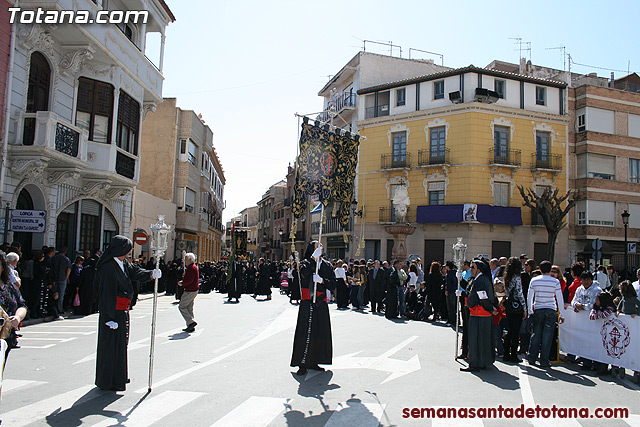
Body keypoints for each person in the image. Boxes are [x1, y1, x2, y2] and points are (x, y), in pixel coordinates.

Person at [95, 236, 161, 391]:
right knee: (110, 348)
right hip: (112, 313)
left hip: (123, 311)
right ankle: (107, 381)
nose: (130, 252)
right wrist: (108, 318)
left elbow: (136, 273)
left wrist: (151, 274)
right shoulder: (107, 267)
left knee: (121, 346)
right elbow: (106, 294)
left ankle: (119, 377)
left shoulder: (123, 263)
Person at [290, 241, 336, 375]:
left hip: (321, 302)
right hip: (307, 301)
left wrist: (322, 281)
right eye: (316, 247)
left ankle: (316, 360)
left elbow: (333, 284)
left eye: (320, 246)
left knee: (319, 332)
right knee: (306, 332)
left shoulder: (327, 266)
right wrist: (312, 259)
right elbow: (300, 273)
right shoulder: (305, 263)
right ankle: (302, 363)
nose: (319, 248)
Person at [526, 261, 565, 368]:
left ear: (540, 270)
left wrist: (530, 310)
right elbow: (560, 298)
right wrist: (562, 314)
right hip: (551, 309)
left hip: (538, 308)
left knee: (536, 334)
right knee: (547, 336)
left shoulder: (534, 280)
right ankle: (544, 360)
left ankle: (532, 357)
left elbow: (530, 296)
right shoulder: (555, 282)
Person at [461, 259, 495, 372]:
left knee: (475, 340)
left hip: (478, 313)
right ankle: (482, 362)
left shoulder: (480, 280)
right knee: (482, 339)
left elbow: (483, 297)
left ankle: (474, 363)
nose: (471, 269)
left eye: (473, 267)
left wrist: (489, 308)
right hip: (482, 313)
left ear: (479, 269)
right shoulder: (481, 279)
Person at [501, 258, 526, 363]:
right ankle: (514, 354)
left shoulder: (507, 277)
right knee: (515, 331)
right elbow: (519, 294)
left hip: (509, 306)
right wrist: (524, 308)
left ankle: (506, 353)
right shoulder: (517, 278)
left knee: (510, 330)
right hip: (516, 306)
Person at [178, 253, 199, 332]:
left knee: (182, 306)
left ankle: (191, 322)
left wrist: (182, 283)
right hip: (193, 289)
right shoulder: (192, 267)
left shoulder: (191, 268)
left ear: (190, 259)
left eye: (186, 259)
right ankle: (190, 325)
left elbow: (190, 280)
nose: (185, 261)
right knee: (189, 308)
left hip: (190, 290)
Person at [51, 248, 71, 319]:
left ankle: (53, 308)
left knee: (54, 294)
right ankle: (59, 309)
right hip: (62, 278)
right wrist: (66, 277)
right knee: (61, 294)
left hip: (55, 278)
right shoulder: (66, 259)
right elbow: (68, 269)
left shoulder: (54, 258)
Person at [444, 261, 458, 326]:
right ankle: (454, 320)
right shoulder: (455, 272)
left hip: (450, 291)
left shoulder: (449, 273)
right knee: (453, 306)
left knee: (450, 306)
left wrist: (447, 290)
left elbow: (448, 283)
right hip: (454, 291)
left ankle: (451, 321)